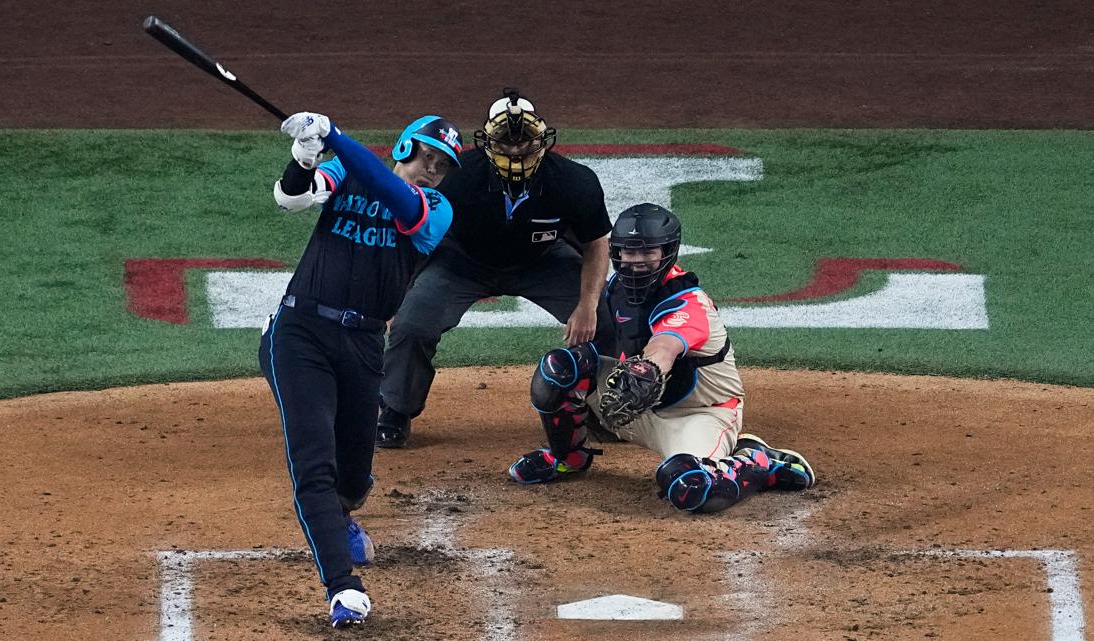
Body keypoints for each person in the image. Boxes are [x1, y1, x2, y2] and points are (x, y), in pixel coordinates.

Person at [259, 110, 463, 627]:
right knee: (314, 466)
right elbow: (292, 199)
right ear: (403, 149)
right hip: (300, 333)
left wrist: (336, 137)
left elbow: (393, 196)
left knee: (352, 475)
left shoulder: (434, 210)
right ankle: (342, 588)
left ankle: (343, 511)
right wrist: (304, 160)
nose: (430, 170)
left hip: (364, 344)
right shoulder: (347, 172)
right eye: (424, 156)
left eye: (440, 166)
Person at [507, 203, 816, 514]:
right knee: (560, 369)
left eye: (647, 253)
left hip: (697, 414)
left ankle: (759, 462)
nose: (636, 262)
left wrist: (646, 369)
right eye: (629, 253)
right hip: (639, 404)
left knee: (690, 488)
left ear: (668, 252)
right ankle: (567, 459)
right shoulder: (616, 289)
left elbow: (665, 346)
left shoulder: (688, 303)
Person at [376, 88, 616, 448]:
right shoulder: (456, 177)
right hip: (462, 261)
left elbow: (597, 243)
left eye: (524, 142)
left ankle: (602, 409)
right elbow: (417, 233)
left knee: (608, 318)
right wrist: (395, 296)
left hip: (542, 260)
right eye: (505, 143)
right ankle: (396, 409)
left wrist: (586, 306)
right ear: (487, 142)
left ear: (542, 140)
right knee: (411, 324)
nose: (516, 151)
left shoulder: (574, 181)